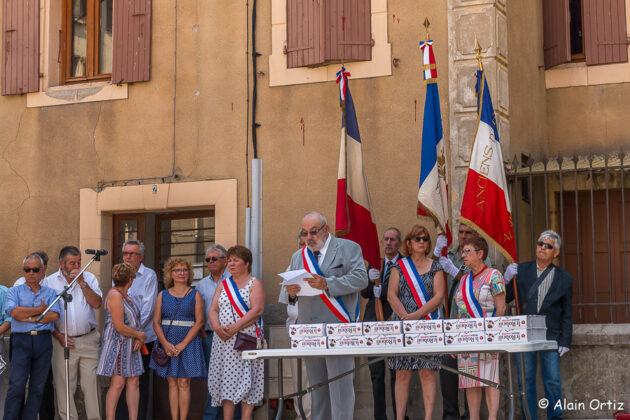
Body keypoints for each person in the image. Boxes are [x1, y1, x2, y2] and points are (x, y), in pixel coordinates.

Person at [286, 211, 368, 420]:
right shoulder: (299, 256)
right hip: (310, 330)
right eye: (304, 233)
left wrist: (328, 284)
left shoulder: (348, 248)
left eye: (313, 232)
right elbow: (289, 293)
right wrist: (292, 294)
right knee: (317, 389)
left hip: (338, 326)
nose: (309, 237)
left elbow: (361, 279)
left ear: (326, 229)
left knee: (340, 388)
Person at [505, 230, 572, 420]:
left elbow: (567, 312)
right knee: (525, 381)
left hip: (550, 335)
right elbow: (507, 296)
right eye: (540, 243)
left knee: (553, 381)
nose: (542, 247)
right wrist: (507, 278)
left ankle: (555, 417)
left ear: (556, 252)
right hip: (524, 334)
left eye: (548, 246)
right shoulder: (521, 270)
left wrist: (565, 340)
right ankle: (529, 416)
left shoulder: (565, 278)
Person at [434, 223, 491, 420]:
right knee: (447, 370)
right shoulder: (447, 254)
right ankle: (450, 415)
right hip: (450, 323)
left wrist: (457, 274)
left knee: (471, 375)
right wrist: (435, 256)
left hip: (473, 324)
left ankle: (470, 415)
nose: (464, 236)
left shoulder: (481, 255)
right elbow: (429, 277)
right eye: (461, 232)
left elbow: (482, 279)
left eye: (469, 233)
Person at [388, 225, 445, 420]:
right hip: (403, 324)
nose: (422, 242)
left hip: (427, 323)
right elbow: (391, 295)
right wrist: (405, 316)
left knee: (427, 371)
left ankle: (429, 417)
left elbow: (438, 297)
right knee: (402, 372)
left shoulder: (436, 266)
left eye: (425, 239)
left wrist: (417, 315)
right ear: (409, 243)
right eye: (417, 238)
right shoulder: (399, 266)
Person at [43, 246, 103, 420]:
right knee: (64, 386)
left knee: (91, 385)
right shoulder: (50, 282)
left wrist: (82, 283)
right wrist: (59, 336)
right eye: (72, 263)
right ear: (62, 264)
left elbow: (97, 303)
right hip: (62, 341)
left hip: (89, 339)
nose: (77, 266)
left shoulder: (89, 277)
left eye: (79, 262)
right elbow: (47, 314)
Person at [208, 245, 265, 420]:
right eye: (230, 260)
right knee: (226, 382)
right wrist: (217, 328)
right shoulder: (223, 284)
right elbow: (213, 309)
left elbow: (257, 311)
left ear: (246, 263)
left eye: (236, 260)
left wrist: (235, 327)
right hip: (223, 342)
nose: (231, 264)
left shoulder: (254, 283)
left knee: (249, 381)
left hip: (246, 339)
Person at [3, 253, 61, 420]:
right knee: (16, 386)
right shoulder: (14, 291)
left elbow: (54, 316)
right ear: (23, 271)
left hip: (43, 341)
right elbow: (14, 312)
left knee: (37, 388)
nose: (31, 273)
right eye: (27, 269)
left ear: (43, 271)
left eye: (35, 269)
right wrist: (39, 310)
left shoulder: (51, 292)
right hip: (21, 341)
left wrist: (26, 315)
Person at [454, 235, 506, 420]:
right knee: (471, 382)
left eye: (467, 251)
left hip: (488, 337)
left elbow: (501, 307)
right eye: (463, 252)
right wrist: (455, 341)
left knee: (489, 380)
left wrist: (493, 334)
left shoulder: (494, 276)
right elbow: (460, 313)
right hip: (467, 339)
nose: (463, 255)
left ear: (480, 253)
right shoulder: (463, 281)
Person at [150, 257, 206, 420]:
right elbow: (156, 322)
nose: (181, 273)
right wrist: (165, 344)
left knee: (184, 383)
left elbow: (200, 321)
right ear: (170, 274)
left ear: (189, 273)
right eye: (177, 270)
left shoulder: (195, 294)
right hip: (167, 340)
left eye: (184, 270)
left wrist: (183, 344)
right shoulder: (163, 294)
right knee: (172, 383)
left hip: (188, 342)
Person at [361, 227, 402, 420]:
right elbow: (365, 293)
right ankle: (380, 417)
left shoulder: (404, 263)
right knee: (376, 375)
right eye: (385, 239)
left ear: (399, 243)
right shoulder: (376, 263)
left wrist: (383, 291)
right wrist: (369, 282)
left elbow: (405, 290)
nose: (388, 243)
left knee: (397, 374)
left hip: (394, 322)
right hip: (373, 323)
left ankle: (398, 416)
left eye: (392, 239)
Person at [115, 240, 158, 420]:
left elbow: (149, 307)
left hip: (143, 338)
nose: (128, 257)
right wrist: (127, 332)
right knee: (120, 381)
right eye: (125, 253)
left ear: (141, 257)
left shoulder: (149, 275)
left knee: (139, 381)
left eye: (132, 254)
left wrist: (137, 333)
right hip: (123, 337)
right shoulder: (118, 274)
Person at [98, 263, 148, 420]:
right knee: (118, 384)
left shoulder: (127, 297)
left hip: (130, 345)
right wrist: (139, 335)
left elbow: (134, 320)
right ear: (131, 280)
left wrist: (137, 336)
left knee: (134, 381)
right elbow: (119, 326)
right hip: (118, 345)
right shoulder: (115, 295)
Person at [197, 244, 241, 420]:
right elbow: (198, 311)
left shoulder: (236, 279)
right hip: (209, 336)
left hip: (234, 336)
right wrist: (203, 334)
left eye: (214, 258)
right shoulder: (201, 284)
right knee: (212, 380)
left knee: (235, 379)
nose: (210, 262)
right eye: (208, 259)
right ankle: (211, 417)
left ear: (225, 260)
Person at [278, 233, 311, 420]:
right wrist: (292, 294)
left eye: (307, 245)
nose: (303, 249)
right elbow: (288, 302)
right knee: (300, 378)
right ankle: (303, 416)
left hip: (321, 330)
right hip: (297, 330)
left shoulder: (323, 267)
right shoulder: (292, 266)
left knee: (321, 378)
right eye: (300, 245)